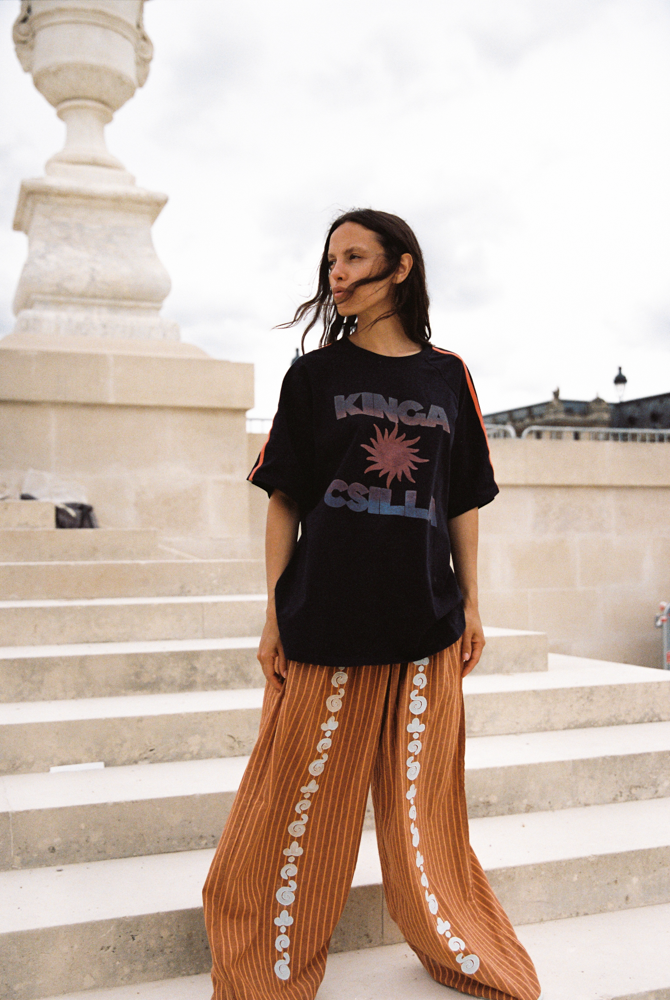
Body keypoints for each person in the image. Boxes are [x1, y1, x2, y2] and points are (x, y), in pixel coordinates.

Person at [203, 209, 542, 1000]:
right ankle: (267, 968)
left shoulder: (446, 376)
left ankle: (456, 942)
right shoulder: (313, 376)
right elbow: (283, 502)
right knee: (296, 805)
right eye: (330, 260)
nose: (337, 273)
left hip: (427, 621)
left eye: (355, 257)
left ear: (401, 268)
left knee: (426, 812)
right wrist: (273, 614)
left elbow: (462, 500)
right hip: (327, 618)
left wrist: (475, 604)